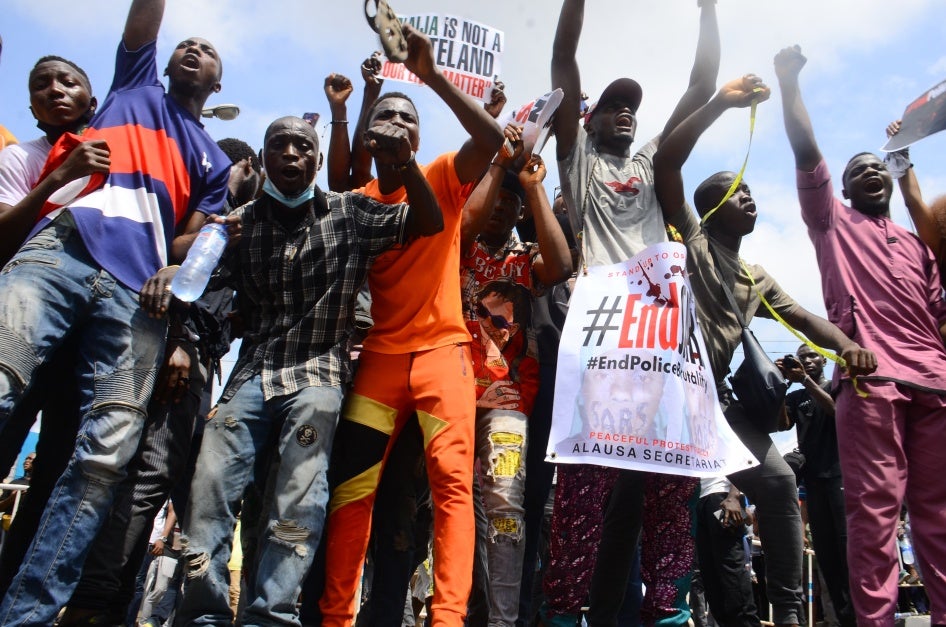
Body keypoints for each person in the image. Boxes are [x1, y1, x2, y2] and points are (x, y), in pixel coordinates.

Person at [0, 0, 232, 622]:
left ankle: (25, 614)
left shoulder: (217, 162)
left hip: (135, 296)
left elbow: (197, 236)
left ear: (218, 82)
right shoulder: (134, 85)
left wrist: (174, 267)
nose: (193, 51)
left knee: (103, 459)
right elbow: (145, 20)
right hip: (65, 250)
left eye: (208, 51)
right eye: (186, 45)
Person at [169, 114, 441, 626]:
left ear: (317, 160)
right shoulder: (241, 224)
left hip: (318, 378)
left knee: (298, 496)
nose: (291, 153)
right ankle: (202, 613)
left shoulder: (351, 211)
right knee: (209, 485)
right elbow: (194, 276)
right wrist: (178, 265)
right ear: (265, 159)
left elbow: (428, 222)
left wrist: (404, 163)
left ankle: (271, 614)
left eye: (302, 146)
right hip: (251, 375)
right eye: (279, 145)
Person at [651, 72, 877, 627]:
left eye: (751, 192)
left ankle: (790, 613)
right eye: (740, 193)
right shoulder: (694, 240)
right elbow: (667, 167)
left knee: (777, 482)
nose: (752, 199)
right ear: (713, 207)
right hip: (668, 393)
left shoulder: (755, 275)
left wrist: (849, 345)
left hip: (717, 405)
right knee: (651, 509)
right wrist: (722, 106)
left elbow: (801, 317)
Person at [319, 21, 503, 627]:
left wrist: (429, 75)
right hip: (377, 364)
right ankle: (335, 617)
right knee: (351, 494)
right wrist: (356, 108)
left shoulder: (447, 174)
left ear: (421, 138)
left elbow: (493, 136)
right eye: (389, 119)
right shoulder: (359, 201)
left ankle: (446, 620)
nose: (398, 126)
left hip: (445, 357)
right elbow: (337, 174)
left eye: (410, 120)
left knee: (453, 490)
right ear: (371, 135)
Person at [545, 0, 720, 624]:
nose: (625, 114)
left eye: (633, 109)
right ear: (587, 119)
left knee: (672, 485)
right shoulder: (579, 160)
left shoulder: (649, 163)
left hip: (665, 337)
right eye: (613, 106)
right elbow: (564, 60)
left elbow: (702, 87)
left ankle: (669, 613)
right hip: (602, 339)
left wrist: (708, 9)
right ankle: (565, 612)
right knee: (584, 487)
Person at [776, 44, 946, 627]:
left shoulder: (921, 246)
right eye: (856, 171)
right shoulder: (832, 224)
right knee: (873, 518)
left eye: (878, 166)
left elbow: (937, 315)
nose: (870, 172)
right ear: (839, 191)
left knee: (940, 519)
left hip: (936, 387)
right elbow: (806, 149)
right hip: (872, 387)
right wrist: (787, 81)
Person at [57, 138, 259, 627]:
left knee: (172, 485)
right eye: (250, 165)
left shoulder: (244, 228)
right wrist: (182, 341)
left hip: (204, 365)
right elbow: (176, 281)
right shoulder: (215, 224)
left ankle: (113, 606)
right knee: (147, 480)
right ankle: (92, 607)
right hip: (180, 355)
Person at [460, 131, 572, 626]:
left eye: (510, 204)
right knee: (451, 508)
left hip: (508, 403)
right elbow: (466, 223)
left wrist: (533, 188)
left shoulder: (524, 261)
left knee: (506, 509)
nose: (501, 210)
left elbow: (563, 264)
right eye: (495, 200)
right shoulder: (455, 245)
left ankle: (504, 622)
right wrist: (496, 166)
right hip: (449, 397)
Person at [778, 345, 855, 627]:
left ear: (823, 359)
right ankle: (844, 619)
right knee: (827, 555)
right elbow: (779, 424)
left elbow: (839, 413)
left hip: (841, 477)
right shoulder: (797, 396)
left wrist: (805, 381)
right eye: (801, 357)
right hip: (814, 483)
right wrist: (781, 382)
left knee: (849, 552)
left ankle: (863, 615)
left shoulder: (838, 386)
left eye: (811, 355)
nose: (807, 360)